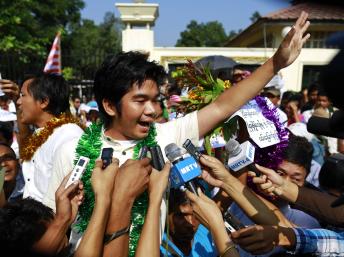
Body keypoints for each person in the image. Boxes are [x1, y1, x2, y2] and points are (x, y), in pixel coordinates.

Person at [57, 12, 310, 257]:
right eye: (140, 100)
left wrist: (276, 63)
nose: (152, 110)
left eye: (155, 100)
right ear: (110, 105)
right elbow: (55, 227)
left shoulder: (166, 136)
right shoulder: (72, 150)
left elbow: (222, 107)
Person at [12, 74, 84, 208]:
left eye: (23, 95)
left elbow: (72, 202)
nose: (18, 102)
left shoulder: (69, 138)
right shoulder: (40, 134)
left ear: (44, 101)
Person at [160, 188, 218, 257]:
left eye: (196, 215)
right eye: (181, 216)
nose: (191, 223)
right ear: (166, 214)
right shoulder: (154, 247)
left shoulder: (209, 235)